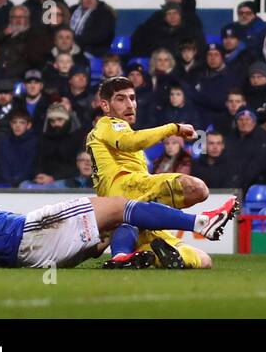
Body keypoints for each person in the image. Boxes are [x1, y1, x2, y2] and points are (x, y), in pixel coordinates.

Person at [0, 130, 236, 269]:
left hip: (29, 253)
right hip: (26, 233)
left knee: (116, 219)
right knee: (120, 205)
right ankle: (201, 222)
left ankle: (120, 257)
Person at [86, 76, 211, 269]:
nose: (130, 105)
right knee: (195, 188)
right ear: (105, 105)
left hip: (135, 211)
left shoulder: (122, 137)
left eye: (132, 98)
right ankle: (200, 222)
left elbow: (132, 141)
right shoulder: (106, 124)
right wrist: (173, 128)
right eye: (121, 99)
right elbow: (130, 141)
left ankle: (138, 256)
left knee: (203, 260)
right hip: (124, 192)